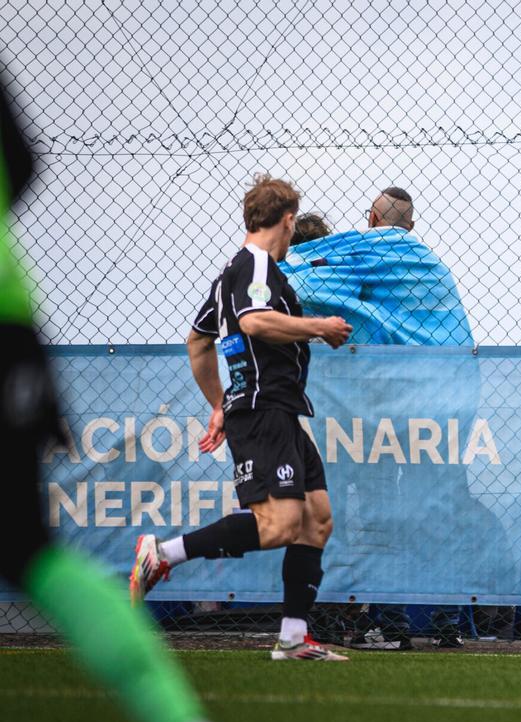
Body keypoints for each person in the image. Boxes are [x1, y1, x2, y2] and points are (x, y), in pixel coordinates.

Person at [1, 74, 263, 722]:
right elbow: (21, 162)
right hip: (9, 315)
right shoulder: (245, 275)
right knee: (32, 553)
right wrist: (223, 402)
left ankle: (238, 602)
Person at [130, 174, 355, 662]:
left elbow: (198, 340)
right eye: (295, 224)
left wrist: (217, 403)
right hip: (262, 411)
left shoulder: (234, 272)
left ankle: (294, 637)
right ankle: (162, 554)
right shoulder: (254, 264)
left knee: (317, 520)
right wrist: (317, 327)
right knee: (278, 525)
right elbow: (253, 322)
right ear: (289, 219)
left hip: (279, 411)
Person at [281, 186, 492, 648]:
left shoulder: (364, 249)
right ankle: (447, 623)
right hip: (446, 399)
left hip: (383, 407)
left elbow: (302, 285)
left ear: (370, 217)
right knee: (440, 509)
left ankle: (391, 623)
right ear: (411, 226)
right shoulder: (432, 264)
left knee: (380, 512)